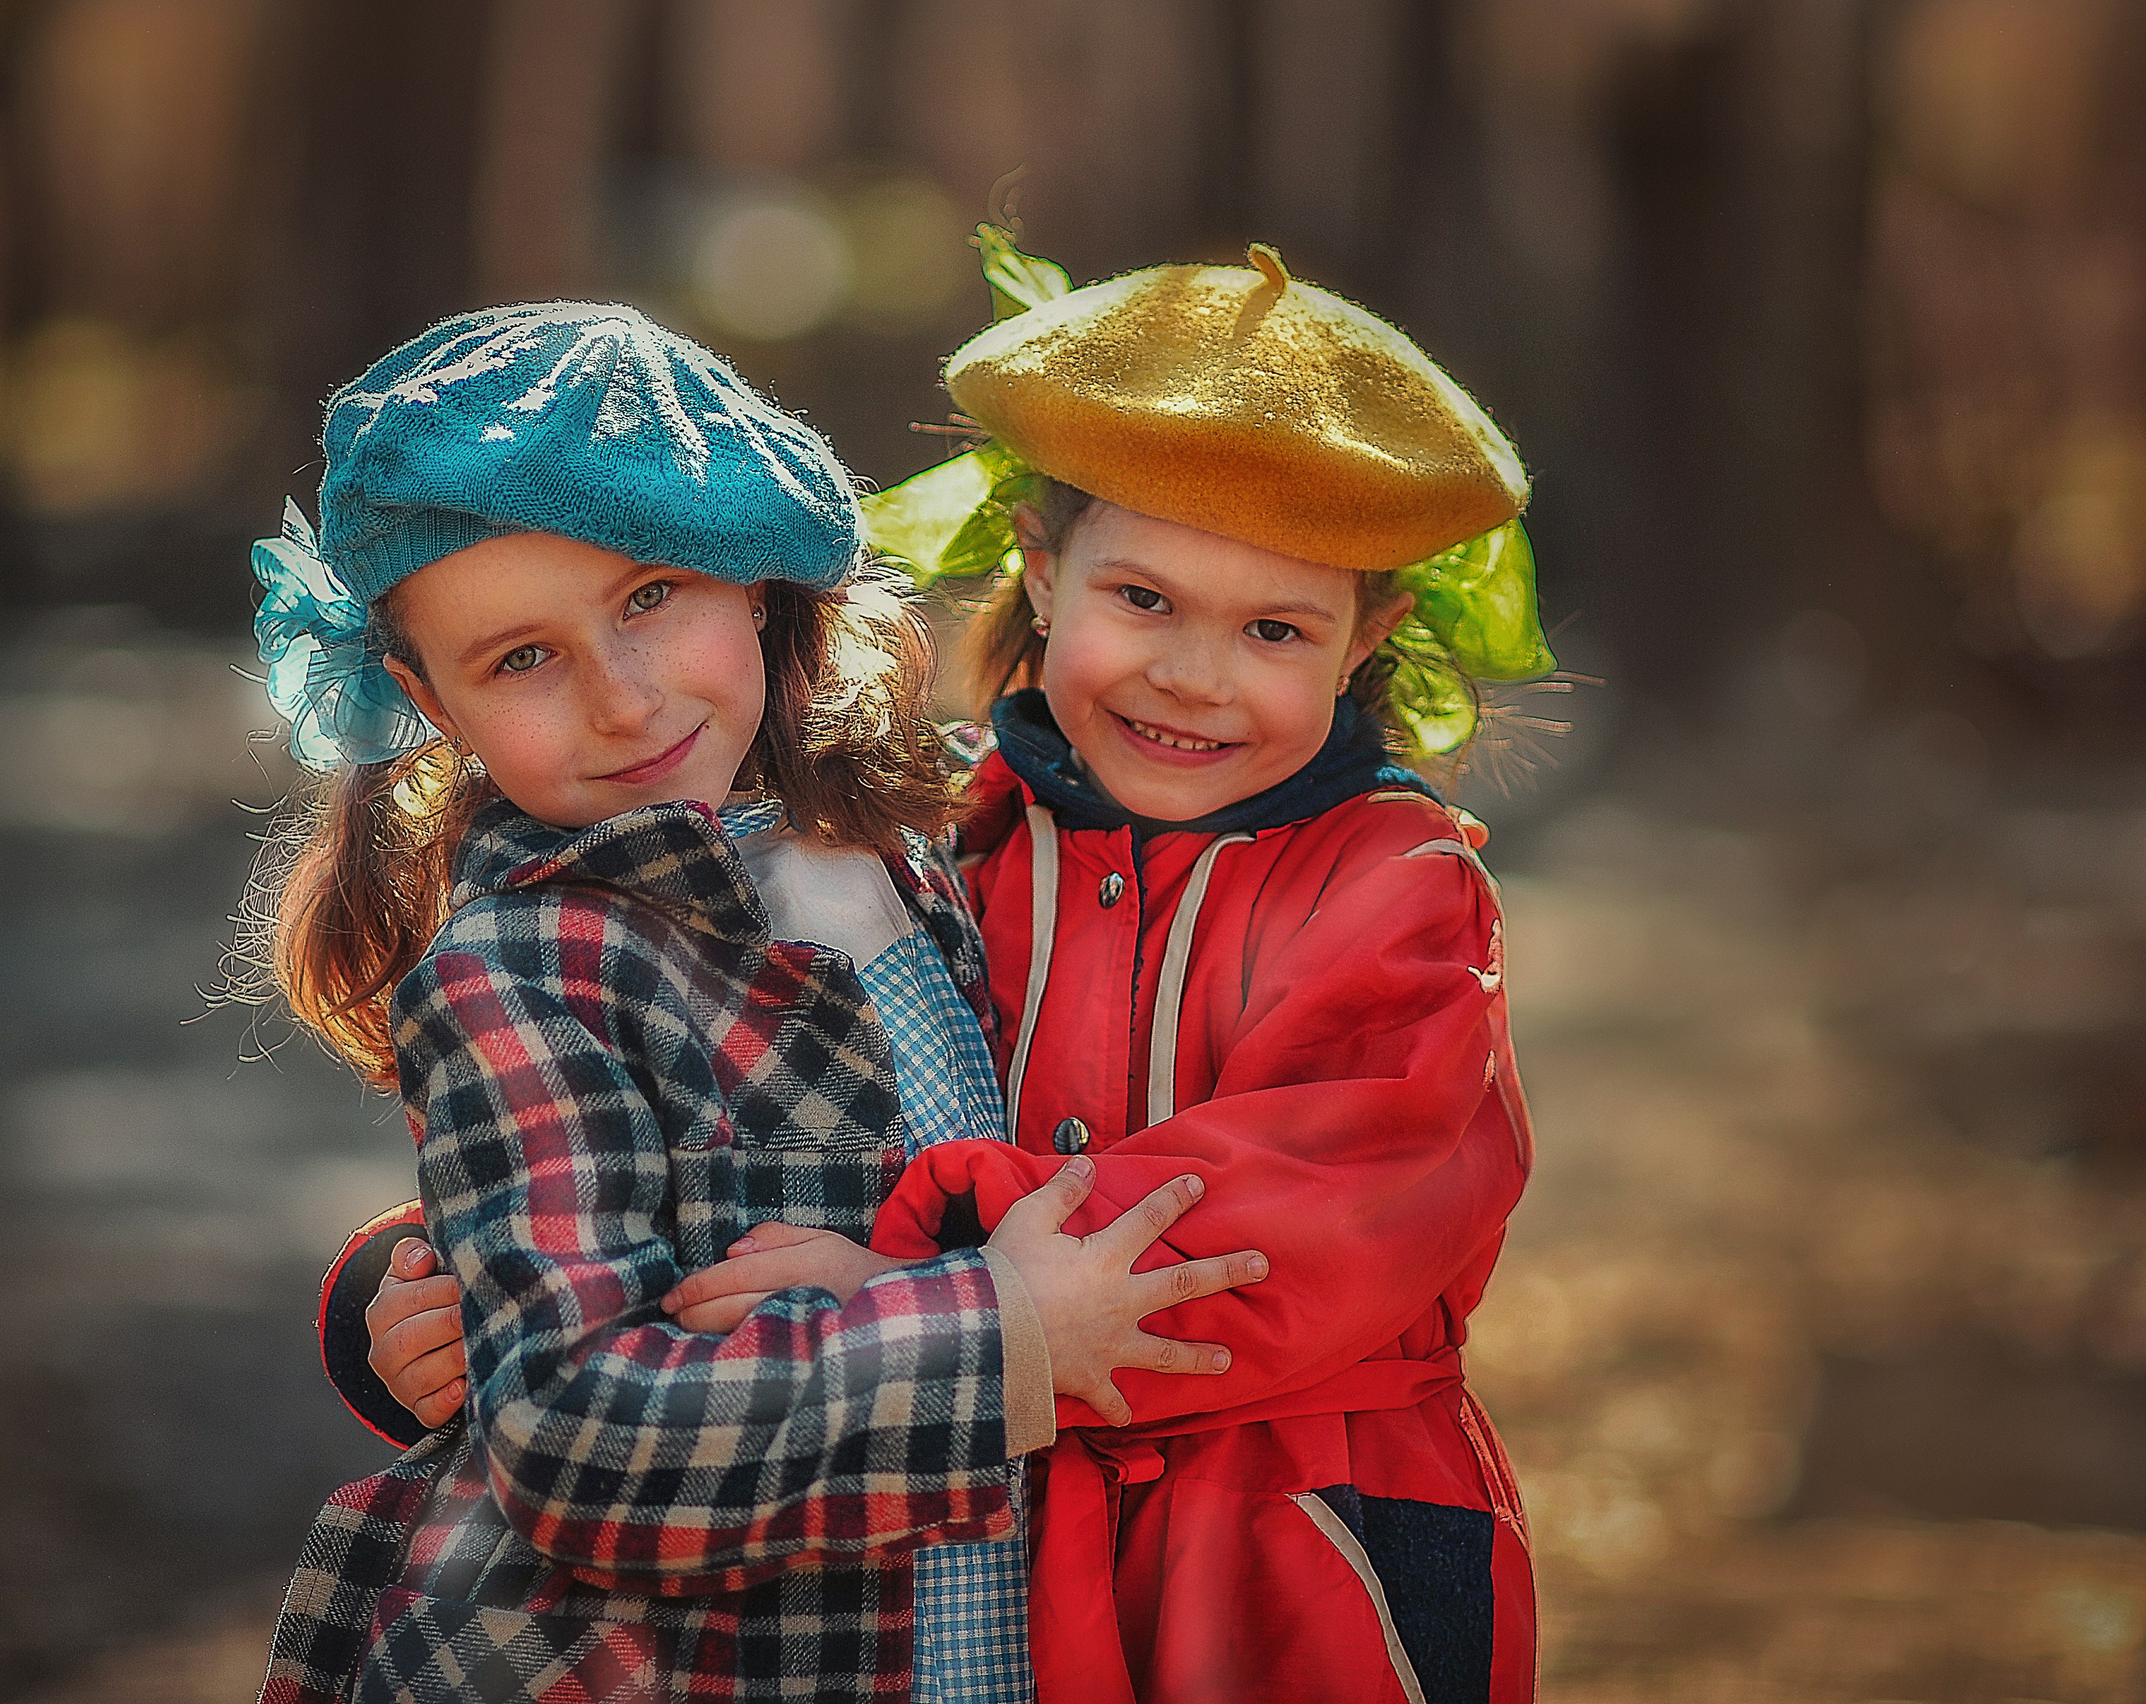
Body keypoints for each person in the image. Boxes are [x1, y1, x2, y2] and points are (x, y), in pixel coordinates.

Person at [358, 235, 1553, 1702]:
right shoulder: (958, 831)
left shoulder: (1393, 887)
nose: (1193, 674)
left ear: (1369, 640)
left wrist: (945, 1272)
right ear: (1044, 581)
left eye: (1274, 629)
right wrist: (415, 1287)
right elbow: (658, 1156)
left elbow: (1323, 1196)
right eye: (1145, 601)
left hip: (1300, 1540)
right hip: (1011, 1547)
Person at [245, 302, 1267, 1704]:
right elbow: (579, 1438)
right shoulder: (524, 964)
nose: (621, 698)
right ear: (430, 699)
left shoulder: (932, 838)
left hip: (985, 1631)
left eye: (651, 595)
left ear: (757, 576)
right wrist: (1002, 1338)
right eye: (522, 659)